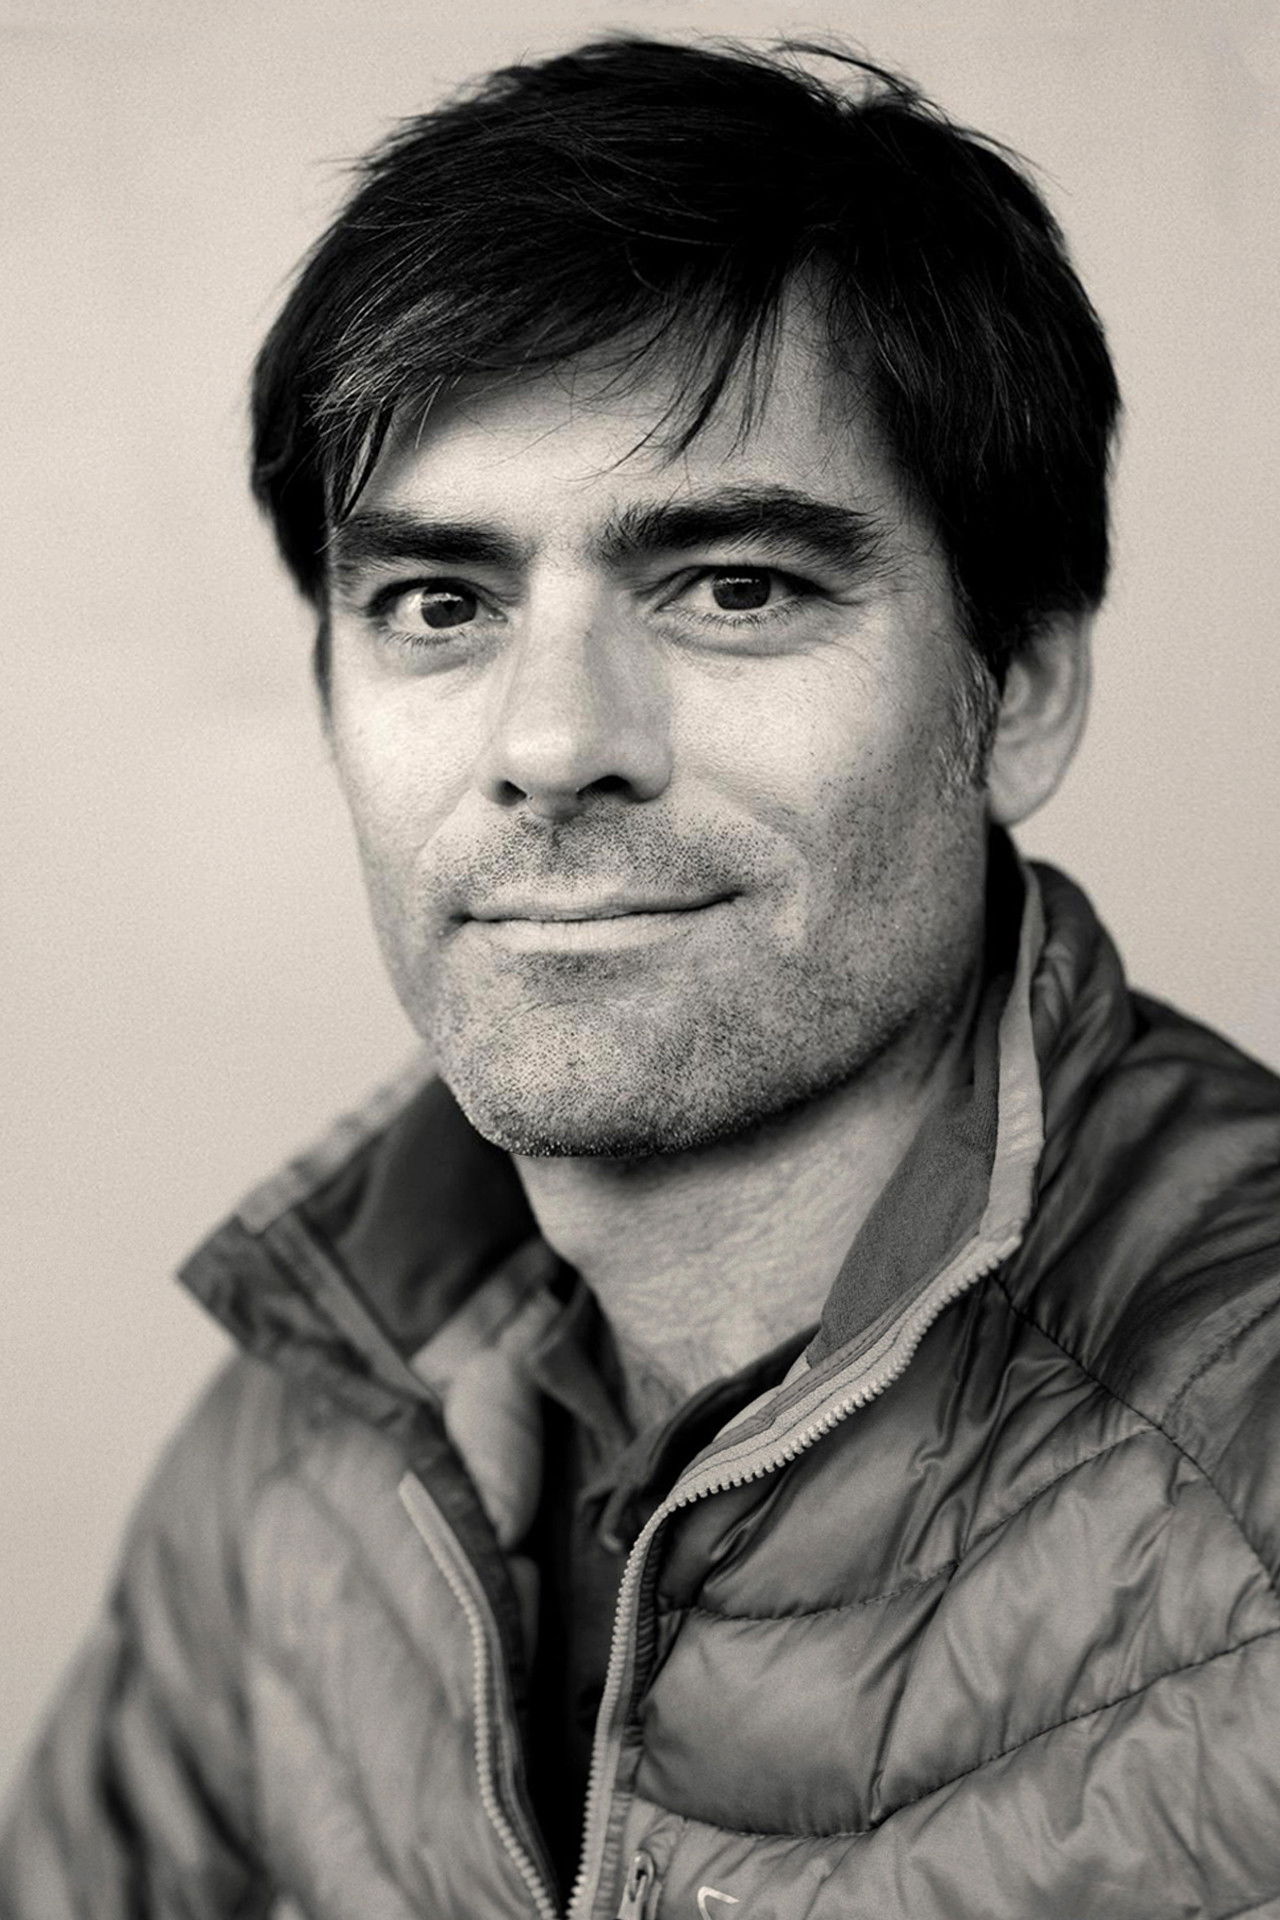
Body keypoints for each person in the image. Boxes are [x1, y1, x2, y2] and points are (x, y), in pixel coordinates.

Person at [3, 32, 1279, 1920]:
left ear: (1017, 692)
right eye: (440, 603)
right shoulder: (296, 1455)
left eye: (735, 586)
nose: (552, 743)